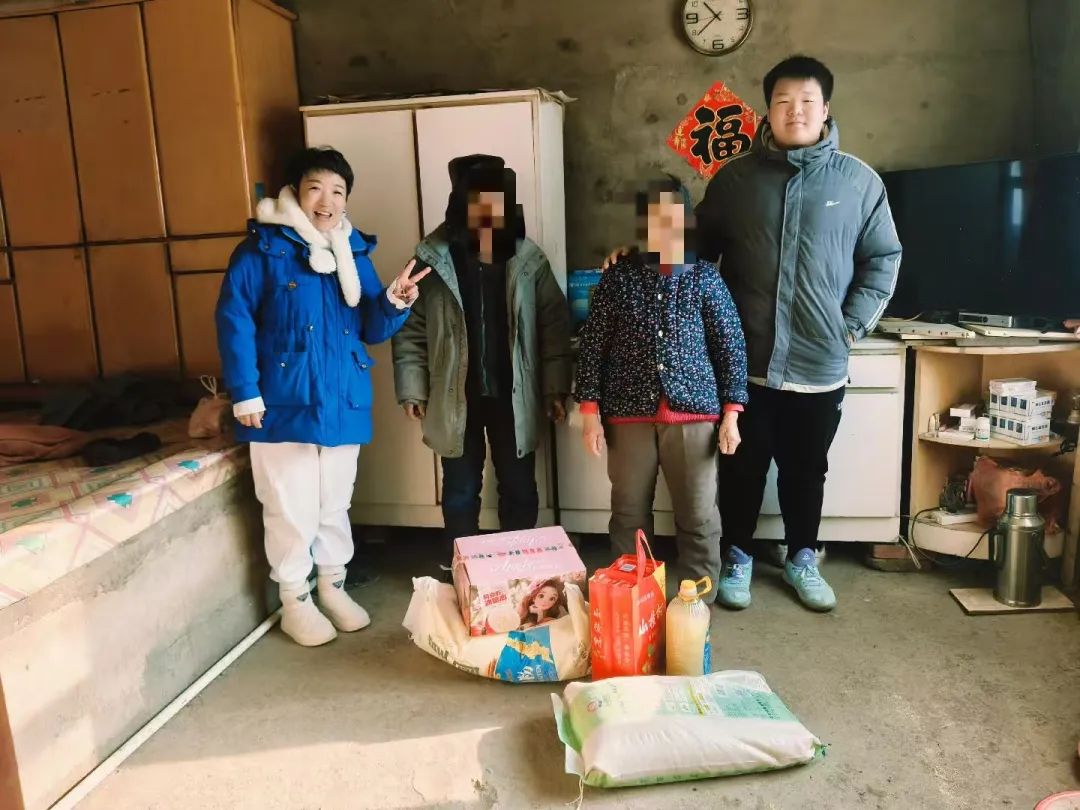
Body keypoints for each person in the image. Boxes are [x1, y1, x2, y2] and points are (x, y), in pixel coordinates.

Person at [605, 56, 902, 612]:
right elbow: (690, 246)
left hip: (818, 363)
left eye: (807, 102)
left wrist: (850, 326)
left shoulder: (859, 183)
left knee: (806, 469)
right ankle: (737, 554)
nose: (796, 112)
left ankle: (803, 556)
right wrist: (639, 253)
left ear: (826, 109)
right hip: (748, 361)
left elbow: (883, 258)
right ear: (768, 109)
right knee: (742, 467)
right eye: (784, 101)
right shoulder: (735, 180)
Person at [216, 147, 429, 646]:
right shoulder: (261, 251)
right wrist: (245, 392)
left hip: (342, 400)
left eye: (338, 191)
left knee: (334, 503)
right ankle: (295, 599)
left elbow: (371, 327)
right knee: (289, 507)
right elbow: (234, 321)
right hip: (281, 402)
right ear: (295, 191)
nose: (327, 201)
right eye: (316, 188)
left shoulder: (352, 251)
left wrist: (395, 300)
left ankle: (333, 588)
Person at [392, 155, 571, 564]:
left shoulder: (528, 258)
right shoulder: (432, 259)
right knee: (459, 488)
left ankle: (517, 569)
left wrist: (555, 388)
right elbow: (410, 328)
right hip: (455, 395)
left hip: (515, 395)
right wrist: (412, 387)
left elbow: (553, 326)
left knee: (519, 486)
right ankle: (462, 567)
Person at [579, 177, 748, 599]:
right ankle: (632, 599)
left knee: (698, 515)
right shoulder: (619, 278)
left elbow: (731, 347)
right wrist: (589, 414)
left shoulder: (705, 279)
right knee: (629, 514)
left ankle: (697, 603)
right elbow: (593, 347)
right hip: (627, 415)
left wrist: (732, 413)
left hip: (695, 416)